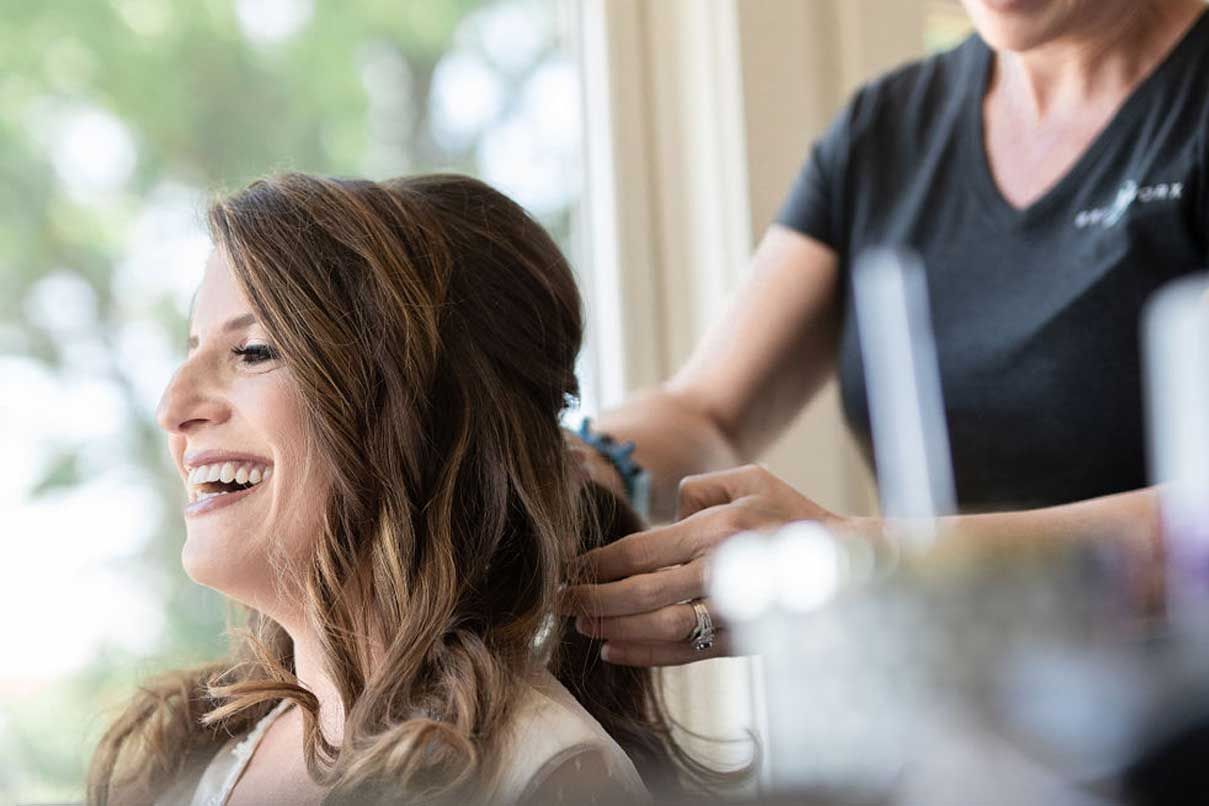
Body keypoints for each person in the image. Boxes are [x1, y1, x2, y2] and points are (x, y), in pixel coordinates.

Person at [562, 0, 1209, 667]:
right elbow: (706, 409)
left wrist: (875, 561)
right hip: (963, 719)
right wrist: (572, 466)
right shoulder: (886, 132)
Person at [86, 173, 721, 805]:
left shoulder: (546, 773)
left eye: (253, 351)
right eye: (191, 347)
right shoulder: (185, 758)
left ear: (418, 421)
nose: (172, 406)